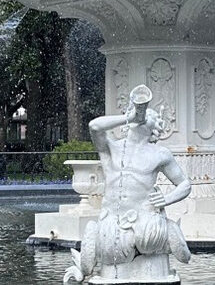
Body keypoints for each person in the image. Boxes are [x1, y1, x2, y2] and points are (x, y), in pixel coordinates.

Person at [64, 90, 191, 283]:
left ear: (154, 127)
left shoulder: (160, 154)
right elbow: (94, 126)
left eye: (148, 115)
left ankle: (169, 233)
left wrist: (167, 199)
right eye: (139, 113)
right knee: (108, 247)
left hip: (146, 223)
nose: (142, 115)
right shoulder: (112, 148)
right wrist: (127, 117)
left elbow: (185, 184)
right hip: (113, 225)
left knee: (151, 240)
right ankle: (86, 263)